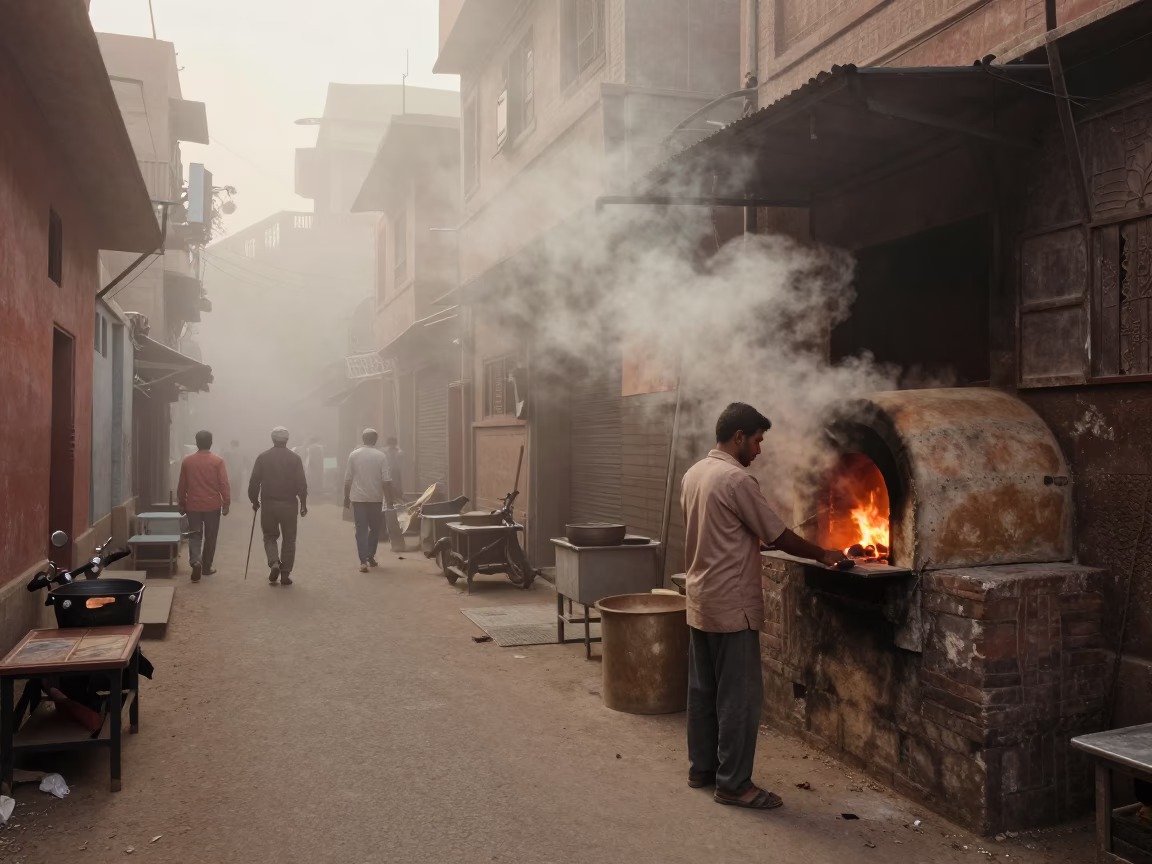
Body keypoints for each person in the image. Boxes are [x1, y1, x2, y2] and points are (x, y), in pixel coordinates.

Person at [680, 402, 844, 810]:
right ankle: (734, 784)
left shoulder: (693, 474)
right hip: (733, 606)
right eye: (757, 440)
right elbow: (778, 535)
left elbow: (727, 530)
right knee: (739, 698)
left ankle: (702, 769)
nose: (759, 450)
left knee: (703, 691)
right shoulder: (737, 480)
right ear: (739, 437)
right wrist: (824, 554)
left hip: (700, 599)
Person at [249, 426, 308, 586]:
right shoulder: (295, 458)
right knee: (289, 539)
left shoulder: (263, 457)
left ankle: (274, 562)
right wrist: (303, 503)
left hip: (269, 504)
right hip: (289, 504)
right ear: (287, 440)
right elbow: (301, 483)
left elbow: (254, 481)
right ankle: (285, 574)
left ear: (272, 439)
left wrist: (254, 500)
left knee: (269, 536)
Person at [176, 430, 230, 582]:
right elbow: (223, 483)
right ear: (210, 443)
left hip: (193, 505)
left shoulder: (188, 461)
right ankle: (206, 567)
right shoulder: (217, 461)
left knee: (195, 534)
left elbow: (182, 485)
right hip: (212, 506)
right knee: (210, 536)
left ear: (197, 443)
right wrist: (226, 502)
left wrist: (181, 502)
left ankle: (196, 562)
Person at [344, 428, 395, 573]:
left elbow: (348, 479)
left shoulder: (353, 455)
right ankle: (370, 556)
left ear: (363, 439)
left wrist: (346, 498)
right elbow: (386, 480)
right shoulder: (381, 456)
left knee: (361, 529)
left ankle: (363, 561)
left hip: (358, 499)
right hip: (375, 499)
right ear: (376, 440)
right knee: (374, 529)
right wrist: (389, 500)